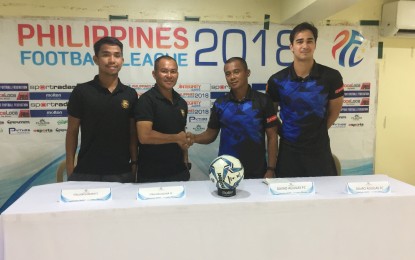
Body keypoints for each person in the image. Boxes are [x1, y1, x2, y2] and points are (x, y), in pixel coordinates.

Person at [266, 22, 344, 178]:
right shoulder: (277, 80)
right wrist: (288, 133)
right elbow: (271, 117)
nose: (305, 46)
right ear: (291, 46)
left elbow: (334, 111)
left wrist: (317, 131)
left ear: (315, 45)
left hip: (319, 150)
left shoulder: (331, 77)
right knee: (288, 198)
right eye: (299, 41)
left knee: (323, 197)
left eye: (310, 41)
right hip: (289, 151)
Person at [187, 57, 278, 179]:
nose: (232, 77)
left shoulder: (263, 100)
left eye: (236, 72)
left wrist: (271, 169)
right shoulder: (220, 103)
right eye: (228, 74)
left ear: (247, 72)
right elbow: (210, 135)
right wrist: (193, 138)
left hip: (257, 172)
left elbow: (272, 136)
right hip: (226, 172)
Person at [65, 36, 138, 182]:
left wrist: (135, 163)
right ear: (96, 59)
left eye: (117, 55)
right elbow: (72, 131)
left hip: (121, 171)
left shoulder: (130, 94)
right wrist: (70, 166)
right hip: (86, 171)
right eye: (106, 54)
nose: (112, 60)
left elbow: (132, 134)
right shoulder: (82, 91)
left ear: (122, 61)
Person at [134, 55, 190, 183]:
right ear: (154, 74)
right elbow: (145, 136)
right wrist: (176, 137)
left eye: (173, 71)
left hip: (179, 172)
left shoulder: (181, 102)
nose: (169, 75)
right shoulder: (146, 101)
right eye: (164, 71)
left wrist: (186, 161)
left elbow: (182, 134)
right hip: (152, 175)